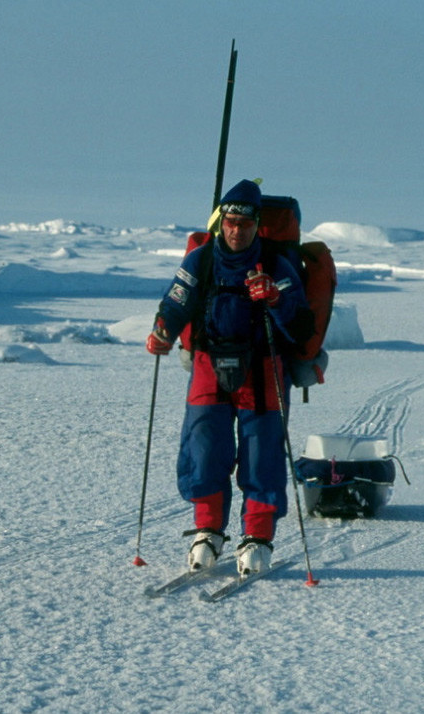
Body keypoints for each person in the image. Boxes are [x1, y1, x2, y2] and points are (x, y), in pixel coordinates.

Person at [146, 179, 308, 575]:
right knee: (204, 447)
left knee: (261, 454)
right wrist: (163, 329)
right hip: (207, 364)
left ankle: (257, 536)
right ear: (222, 222)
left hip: (263, 369)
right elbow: (176, 301)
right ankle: (207, 531)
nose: (238, 230)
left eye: (245, 224)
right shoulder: (200, 261)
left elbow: (301, 325)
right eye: (231, 222)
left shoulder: (276, 265)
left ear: (256, 226)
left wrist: (275, 299)